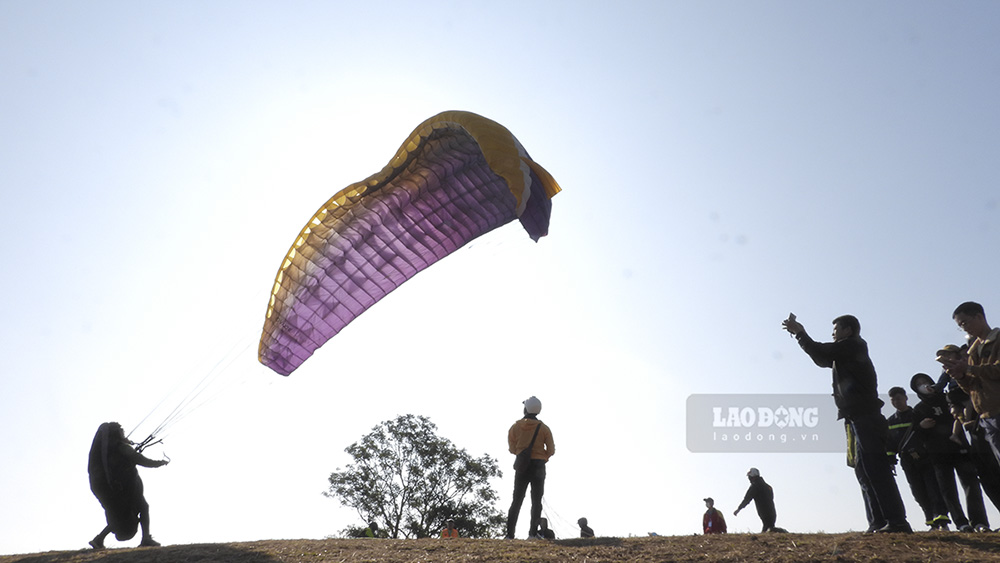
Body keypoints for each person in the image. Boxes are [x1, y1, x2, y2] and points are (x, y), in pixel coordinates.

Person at [781, 313, 911, 533]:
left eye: (835, 329)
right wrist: (800, 335)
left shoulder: (853, 345)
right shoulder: (844, 351)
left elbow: (822, 353)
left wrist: (800, 333)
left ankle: (897, 521)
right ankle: (878, 522)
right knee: (863, 470)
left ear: (848, 330)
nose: (832, 334)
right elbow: (822, 359)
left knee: (876, 469)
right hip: (855, 418)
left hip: (866, 416)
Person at [910, 373, 989, 532]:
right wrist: (921, 426)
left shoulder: (949, 399)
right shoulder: (919, 409)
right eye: (919, 384)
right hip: (938, 454)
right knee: (948, 490)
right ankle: (961, 523)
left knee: (971, 485)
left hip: (960, 448)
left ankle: (980, 522)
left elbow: (966, 412)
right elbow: (915, 434)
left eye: (926, 381)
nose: (924, 385)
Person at [88, 422, 169, 549]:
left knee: (121, 515)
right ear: (117, 434)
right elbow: (140, 459)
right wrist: (158, 463)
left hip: (119, 490)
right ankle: (146, 538)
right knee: (142, 507)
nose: (123, 433)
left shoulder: (112, 450)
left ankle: (99, 539)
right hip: (128, 490)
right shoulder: (121, 448)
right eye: (121, 431)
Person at [943, 302, 1000, 466]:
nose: (964, 328)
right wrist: (960, 376)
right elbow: (971, 388)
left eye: (965, 323)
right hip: (986, 416)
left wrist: (970, 368)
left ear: (979, 317)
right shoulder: (973, 351)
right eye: (960, 326)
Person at [885, 386, 949, 530]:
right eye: (893, 400)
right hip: (907, 461)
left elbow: (931, 433)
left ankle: (942, 520)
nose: (896, 402)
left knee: (934, 488)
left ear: (906, 398)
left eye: (899, 398)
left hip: (926, 457)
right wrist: (890, 461)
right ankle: (930, 520)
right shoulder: (890, 422)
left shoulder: (918, 415)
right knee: (918, 492)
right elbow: (889, 445)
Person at [505, 396, 555, 539]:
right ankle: (532, 534)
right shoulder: (544, 428)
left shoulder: (515, 427)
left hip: (522, 465)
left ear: (526, 408)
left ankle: (510, 534)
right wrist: (543, 457)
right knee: (536, 501)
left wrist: (521, 454)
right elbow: (551, 449)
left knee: (517, 499)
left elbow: (511, 448)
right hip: (539, 465)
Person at [733, 468, 776, 532]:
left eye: (749, 477)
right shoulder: (768, 487)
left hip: (764, 513)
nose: (749, 479)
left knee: (767, 528)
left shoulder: (755, 486)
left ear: (752, 477)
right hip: (772, 512)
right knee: (770, 527)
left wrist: (739, 509)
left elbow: (747, 499)